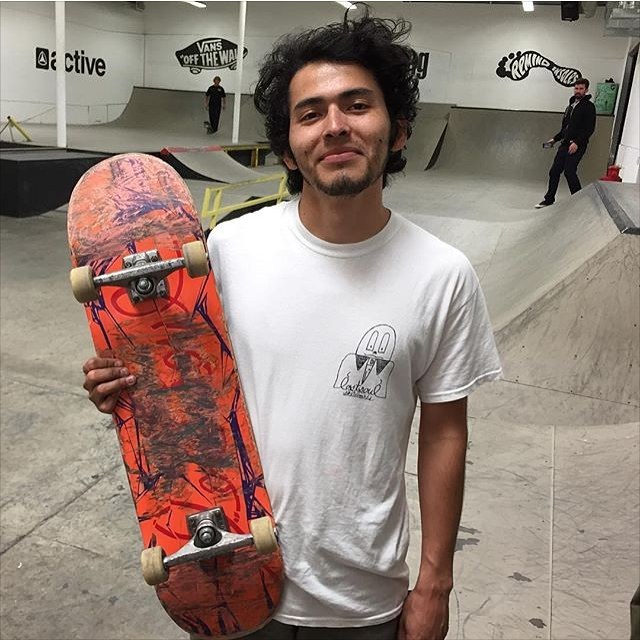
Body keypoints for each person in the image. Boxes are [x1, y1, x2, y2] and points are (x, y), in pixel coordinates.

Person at [82, 9, 502, 640]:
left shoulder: (443, 276)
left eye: (357, 105)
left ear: (399, 129)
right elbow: (174, 374)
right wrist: (123, 385)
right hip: (230, 577)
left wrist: (435, 583)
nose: (335, 126)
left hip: (360, 599)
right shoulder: (226, 250)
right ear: (287, 148)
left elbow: (445, 432)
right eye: (310, 113)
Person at [535, 77, 596, 208]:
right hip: (564, 144)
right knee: (554, 172)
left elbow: (589, 129)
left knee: (569, 171)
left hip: (577, 145)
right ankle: (549, 199)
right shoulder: (570, 106)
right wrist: (554, 139)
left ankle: (579, 200)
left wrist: (577, 143)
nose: (578, 91)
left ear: (586, 90)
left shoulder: (589, 107)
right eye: (576, 88)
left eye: (581, 88)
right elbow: (565, 128)